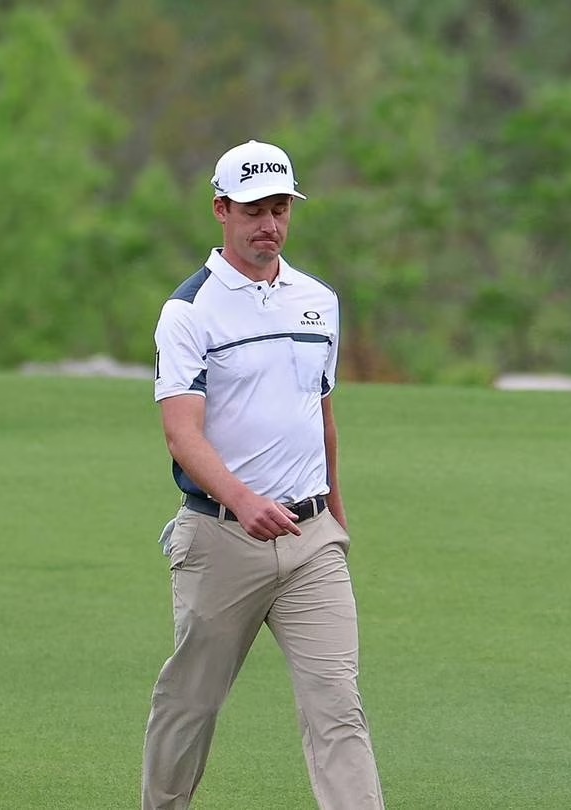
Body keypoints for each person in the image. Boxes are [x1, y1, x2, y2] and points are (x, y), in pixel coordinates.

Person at [142, 140, 385, 809]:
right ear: (221, 209)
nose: (269, 224)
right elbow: (181, 431)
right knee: (190, 703)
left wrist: (334, 512)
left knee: (339, 707)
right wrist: (244, 501)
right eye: (254, 210)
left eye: (280, 208)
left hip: (311, 542)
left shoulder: (318, 301)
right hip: (221, 537)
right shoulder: (189, 312)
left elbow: (321, 412)